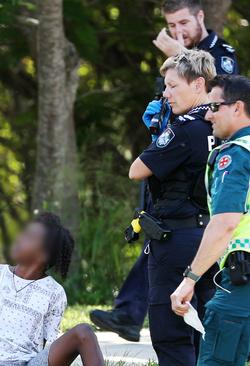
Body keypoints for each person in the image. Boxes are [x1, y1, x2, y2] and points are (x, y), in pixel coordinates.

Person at [90, 0, 240, 342]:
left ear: (200, 17)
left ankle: (129, 311)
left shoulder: (219, 54)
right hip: (180, 195)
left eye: (184, 23)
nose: (178, 32)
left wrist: (177, 54)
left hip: (195, 210)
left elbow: (227, 91)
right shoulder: (186, 107)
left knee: (173, 331)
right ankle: (128, 311)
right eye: (171, 26)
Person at [126, 49, 218, 365]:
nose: (166, 94)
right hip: (213, 238)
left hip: (177, 242)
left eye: (172, 86)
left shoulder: (185, 127)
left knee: (171, 334)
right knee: (202, 333)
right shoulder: (222, 126)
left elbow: (136, 170)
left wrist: (161, 131)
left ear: (198, 85)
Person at [171, 75, 250, 365]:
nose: (208, 114)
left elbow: (225, 223)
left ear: (237, 108)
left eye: (215, 106)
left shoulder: (237, 154)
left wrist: (189, 280)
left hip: (242, 284)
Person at [0, 213, 105, 366]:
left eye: (29, 237)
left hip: (28, 363)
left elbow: (46, 350)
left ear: (43, 254)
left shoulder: (55, 293)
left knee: (84, 332)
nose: (19, 238)